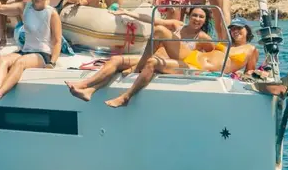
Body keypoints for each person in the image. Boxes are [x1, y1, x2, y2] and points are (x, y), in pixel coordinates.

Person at [103, 16, 259, 108]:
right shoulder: (225, 43)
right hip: (191, 56)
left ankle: (126, 97)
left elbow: (249, 72)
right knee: (160, 31)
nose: (235, 31)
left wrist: (257, 73)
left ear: (247, 30)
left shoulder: (251, 50)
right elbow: (220, 20)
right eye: (233, 29)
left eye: (239, 28)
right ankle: (137, 68)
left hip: (196, 67)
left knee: (153, 62)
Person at [65, 6, 212, 102]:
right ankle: (88, 89)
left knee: (147, 55)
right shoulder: (177, 25)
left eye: (201, 17)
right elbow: (153, 20)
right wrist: (128, 13)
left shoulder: (203, 38)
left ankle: (91, 86)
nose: (197, 19)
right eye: (194, 15)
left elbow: (216, 53)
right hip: (152, 57)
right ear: (189, 15)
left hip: (166, 64)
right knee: (115, 60)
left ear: (205, 20)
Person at [0, 0, 61, 106]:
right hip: (25, 50)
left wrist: (52, 62)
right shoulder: (24, 7)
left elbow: (57, 41)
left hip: (43, 54)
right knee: (3, 59)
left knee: (20, 62)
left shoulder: (52, 13)